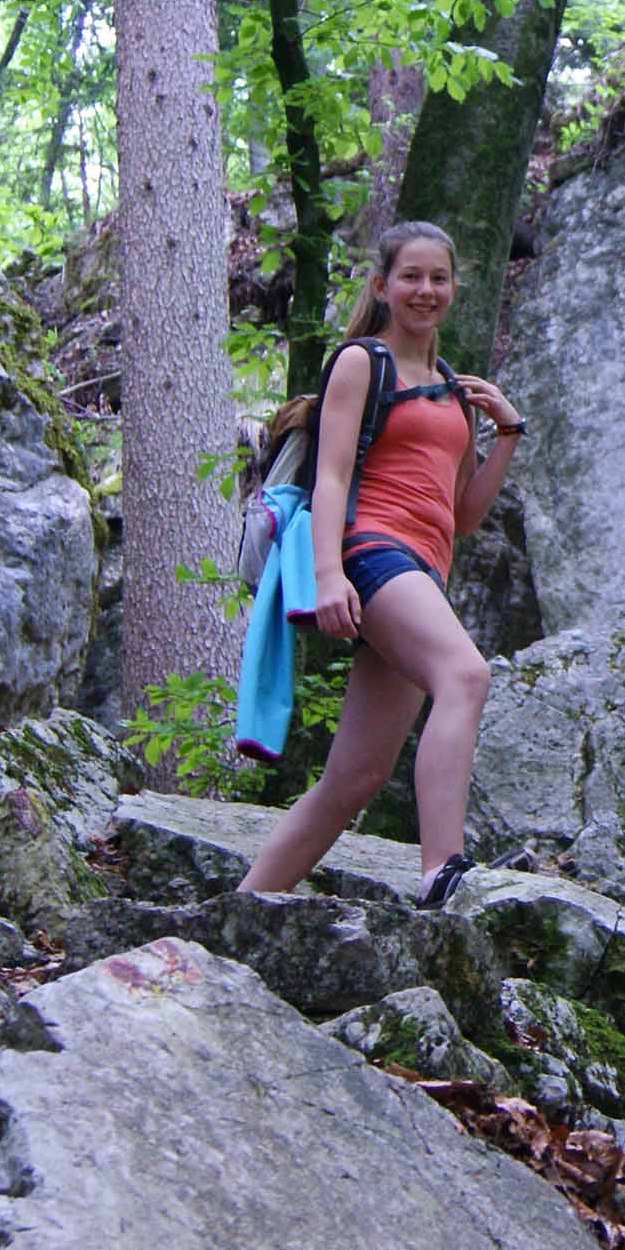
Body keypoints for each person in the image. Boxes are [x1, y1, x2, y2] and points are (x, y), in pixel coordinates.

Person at [239, 219, 526, 909]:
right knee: (464, 674)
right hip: (372, 551)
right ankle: (442, 871)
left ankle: (241, 908)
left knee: (357, 776)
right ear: (382, 286)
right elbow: (331, 477)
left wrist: (507, 436)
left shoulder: (456, 392)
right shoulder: (363, 363)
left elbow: (461, 516)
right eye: (411, 276)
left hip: (421, 568)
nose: (425, 290)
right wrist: (330, 572)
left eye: (438, 278)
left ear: (455, 287)